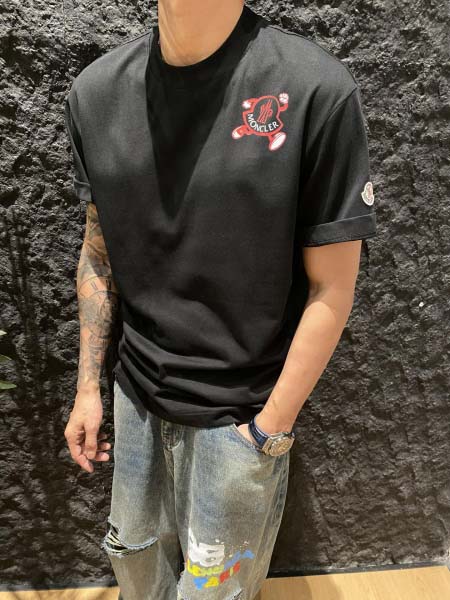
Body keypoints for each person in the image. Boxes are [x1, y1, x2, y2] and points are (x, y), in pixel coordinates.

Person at [63, 1, 377, 598]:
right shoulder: (96, 93)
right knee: (134, 569)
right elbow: (99, 253)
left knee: (214, 593)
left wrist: (267, 431)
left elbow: (332, 286)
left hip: (239, 419)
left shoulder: (314, 88)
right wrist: (87, 390)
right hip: (135, 400)